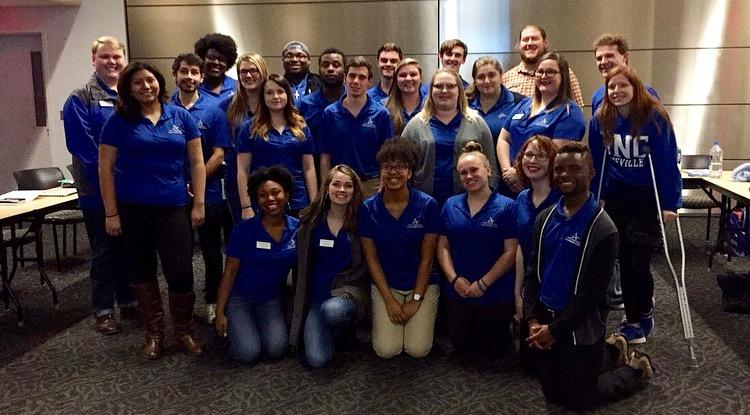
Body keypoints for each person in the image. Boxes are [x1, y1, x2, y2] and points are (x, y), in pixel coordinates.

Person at [523, 142, 654, 412]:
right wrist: (533, 319)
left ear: (591, 174)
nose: (565, 175)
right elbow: (532, 274)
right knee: (551, 393)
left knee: (577, 399)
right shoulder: (544, 219)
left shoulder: (604, 229)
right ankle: (613, 351)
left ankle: (635, 369)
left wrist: (554, 331)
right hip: (545, 319)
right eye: (559, 169)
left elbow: (590, 297)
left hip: (579, 324)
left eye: (574, 168)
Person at [99, 62, 206, 359]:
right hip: (133, 208)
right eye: (137, 83)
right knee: (142, 269)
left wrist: (198, 203)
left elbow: (197, 163)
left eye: (150, 80)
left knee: (181, 270)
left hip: (173, 206)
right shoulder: (119, 120)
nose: (145, 87)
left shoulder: (181, 116)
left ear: (159, 82)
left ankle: (184, 331)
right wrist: (111, 212)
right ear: (128, 89)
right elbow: (105, 168)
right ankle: (154, 334)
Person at [589, 65, 681, 344]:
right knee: (619, 254)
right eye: (611, 87)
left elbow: (667, 162)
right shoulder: (601, 118)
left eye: (622, 86)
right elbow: (595, 160)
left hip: (646, 196)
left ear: (635, 87)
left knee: (636, 259)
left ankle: (639, 316)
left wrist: (670, 203)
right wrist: (594, 197)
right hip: (618, 194)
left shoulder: (655, 117)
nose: (616, 91)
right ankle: (633, 316)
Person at [62, 35, 136, 335]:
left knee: (128, 248)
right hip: (97, 190)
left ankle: (129, 301)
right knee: (104, 251)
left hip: (130, 188)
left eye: (116, 56)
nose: (111, 62)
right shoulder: (81, 98)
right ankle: (103, 310)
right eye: (104, 57)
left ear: (124, 59)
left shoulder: (130, 97)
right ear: (94, 60)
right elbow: (84, 149)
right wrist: (113, 175)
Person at [359, 138, 440, 359]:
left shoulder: (427, 205)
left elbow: (427, 258)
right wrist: (389, 300)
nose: (393, 172)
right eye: (387, 167)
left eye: (400, 166)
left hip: (421, 283)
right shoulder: (368, 208)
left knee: (417, 350)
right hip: (387, 284)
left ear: (410, 172)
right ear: (381, 172)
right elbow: (372, 259)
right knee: (387, 350)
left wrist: (415, 300)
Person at [437, 142, 518, 358]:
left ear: (489, 170)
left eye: (474, 170)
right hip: (458, 290)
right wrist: (454, 280)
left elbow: (510, 253)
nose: (468, 176)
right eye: (463, 173)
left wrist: (483, 284)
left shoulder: (508, 206)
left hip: (494, 291)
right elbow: (442, 246)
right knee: (462, 348)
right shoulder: (450, 204)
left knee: (494, 352)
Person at [170, 53, 232, 324]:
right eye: (184, 71)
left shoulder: (214, 109)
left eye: (195, 72)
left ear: (201, 77)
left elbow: (219, 154)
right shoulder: (164, 107)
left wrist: (196, 182)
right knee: (177, 251)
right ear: (175, 74)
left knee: (210, 250)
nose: (189, 77)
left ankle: (212, 299)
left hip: (208, 193)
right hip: (172, 193)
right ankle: (180, 305)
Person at [214, 166, 298, 363]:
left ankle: (251, 327)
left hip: (271, 299)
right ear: (256, 199)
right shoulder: (243, 231)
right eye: (262, 195)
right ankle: (237, 327)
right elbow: (229, 272)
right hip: (240, 298)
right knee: (248, 353)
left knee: (277, 349)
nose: (270, 199)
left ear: (286, 195)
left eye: (276, 192)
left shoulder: (298, 229)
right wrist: (219, 312)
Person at [289, 164, 369, 368]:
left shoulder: (363, 222)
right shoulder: (310, 222)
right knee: (317, 359)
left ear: (355, 190)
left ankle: (345, 325)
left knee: (334, 311)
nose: (342, 190)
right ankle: (337, 332)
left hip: (347, 294)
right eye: (336, 184)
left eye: (348, 186)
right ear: (327, 188)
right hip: (317, 296)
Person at [401, 68, 496, 206]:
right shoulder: (415, 125)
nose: (444, 91)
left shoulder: (477, 123)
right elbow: (403, 165)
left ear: (459, 90)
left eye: (450, 86)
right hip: (424, 203)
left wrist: (488, 200)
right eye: (438, 86)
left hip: (468, 204)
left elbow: (491, 165)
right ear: (431, 91)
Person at [496, 52, 586, 195]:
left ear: (563, 76)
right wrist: (507, 172)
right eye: (540, 72)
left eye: (550, 72)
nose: (544, 77)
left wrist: (519, 174)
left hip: (544, 191)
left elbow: (553, 156)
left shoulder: (570, 113)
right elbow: (503, 138)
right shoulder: (524, 104)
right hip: (511, 184)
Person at [237, 74, 317, 219]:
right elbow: (243, 170)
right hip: (263, 201)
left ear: (288, 94)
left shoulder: (301, 126)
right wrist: (246, 205)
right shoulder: (250, 128)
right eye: (269, 92)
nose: (275, 96)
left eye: (280, 91)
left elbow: (309, 169)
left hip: (297, 201)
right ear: (263, 97)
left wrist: (314, 204)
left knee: (298, 241)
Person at [512, 135, 560, 371]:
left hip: (557, 286)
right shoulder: (521, 199)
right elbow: (520, 248)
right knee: (528, 364)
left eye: (541, 156)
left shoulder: (563, 199)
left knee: (556, 365)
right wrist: (518, 294)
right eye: (528, 155)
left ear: (552, 162)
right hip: (531, 282)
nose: (533, 161)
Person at [320, 56, 394, 196]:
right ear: (344, 79)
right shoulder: (329, 113)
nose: (356, 81)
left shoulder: (381, 114)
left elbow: (387, 156)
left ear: (369, 82)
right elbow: (325, 155)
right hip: (340, 184)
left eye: (362, 77)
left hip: (371, 184)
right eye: (352, 76)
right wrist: (326, 187)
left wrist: (382, 187)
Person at [221, 53, 269, 225]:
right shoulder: (227, 107)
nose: (248, 76)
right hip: (238, 180)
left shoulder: (275, 102)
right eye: (243, 72)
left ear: (262, 72)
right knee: (245, 233)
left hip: (269, 177)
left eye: (253, 71)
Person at [503, 24, 584, 107]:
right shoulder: (506, 78)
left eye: (534, 39)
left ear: (545, 43)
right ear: (519, 45)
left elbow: (578, 109)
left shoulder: (563, 72)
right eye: (525, 40)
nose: (530, 43)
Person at [591, 33, 659, 114]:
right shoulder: (597, 96)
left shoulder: (646, 94)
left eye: (609, 56)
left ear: (625, 57)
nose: (603, 62)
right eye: (599, 58)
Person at [297, 47, 347, 157]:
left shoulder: (353, 102)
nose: (330, 69)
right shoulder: (305, 104)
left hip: (348, 168)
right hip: (315, 167)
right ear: (319, 70)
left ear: (345, 71)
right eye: (325, 65)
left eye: (336, 65)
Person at [466, 57, 525, 143]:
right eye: (481, 77)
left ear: (501, 77)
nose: (487, 81)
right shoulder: (466, 103)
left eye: (492, 75)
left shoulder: (519, 103)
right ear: (475, 81)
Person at [384, 58, 426, 135]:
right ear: (396, 80)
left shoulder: (431, 105)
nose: (408, 78)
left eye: (413, 74)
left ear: (421, 78)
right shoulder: (384, 106)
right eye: (403, 75)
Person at [192, 33, 238, 101]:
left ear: (228, 63)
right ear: (202, 59)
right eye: (211, 57)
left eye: (221, 59)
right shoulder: (192, 88)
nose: (216, 62)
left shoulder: (238, 87)